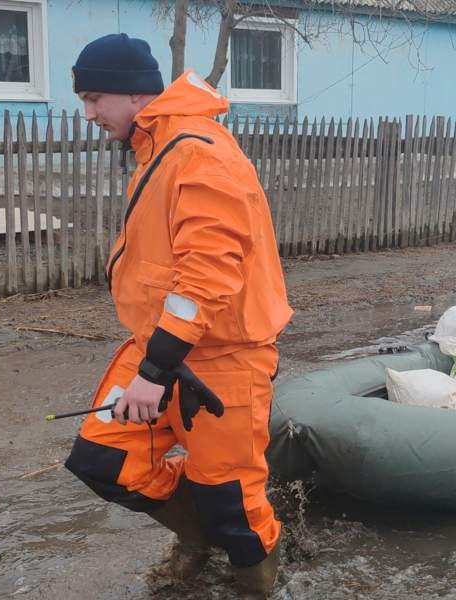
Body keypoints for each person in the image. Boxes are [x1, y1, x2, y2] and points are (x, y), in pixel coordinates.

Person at [63, 33, 293, 598]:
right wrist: (155, 360)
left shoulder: (197, 152)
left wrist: (153, 372)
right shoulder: (156, 147)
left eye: (95, 98)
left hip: (221, 360)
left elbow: (208, 275)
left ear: (137, 93)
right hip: (161, 347)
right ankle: (201, 537)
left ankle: (256, 579)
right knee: (102, 458)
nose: (88, 114)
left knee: (231, 500)